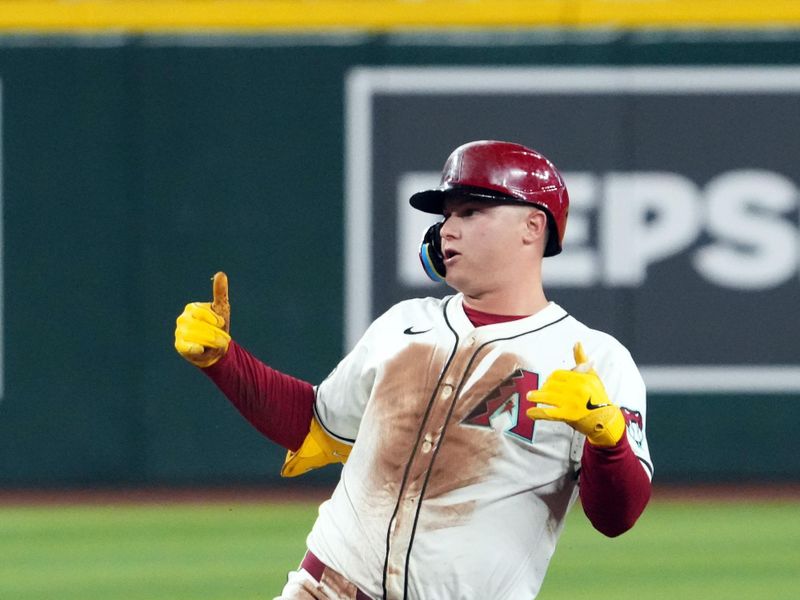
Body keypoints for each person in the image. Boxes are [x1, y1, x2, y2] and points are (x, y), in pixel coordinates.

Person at [174, 140, 653, 600]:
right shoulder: (405, 324)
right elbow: (313, 422)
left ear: (532, 226)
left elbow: (617, 517)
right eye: (446, 215)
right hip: (325, 587)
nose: (448, 229)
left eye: (471, 212)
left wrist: (606, 438)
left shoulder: (592, 358)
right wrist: (223, 361)